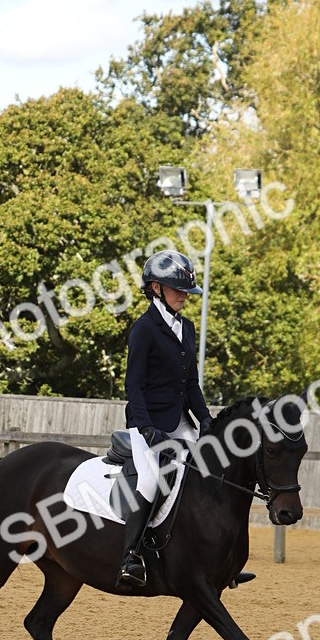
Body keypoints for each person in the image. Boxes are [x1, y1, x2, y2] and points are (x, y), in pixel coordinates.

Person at [116, 249, 213, 589]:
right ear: (156, 288)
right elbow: (135, 385)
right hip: (148, 422)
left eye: (186, 291)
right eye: (178, 290)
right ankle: (131, 555)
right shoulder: (144, 329)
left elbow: (191, 384)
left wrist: (206, 420)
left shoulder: (186, 327)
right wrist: (146, 429)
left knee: (209, 470)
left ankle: (213, 557)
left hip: (180, 420)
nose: (185, 296)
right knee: (150, 478)